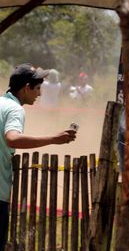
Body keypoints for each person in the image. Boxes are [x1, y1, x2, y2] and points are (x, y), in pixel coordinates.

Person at [1, 64, 77, 251]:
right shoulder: (15, 109)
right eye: (37, 88)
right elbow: (12, 138)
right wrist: (53, 139)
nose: (40, 94)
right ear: (27, 88)